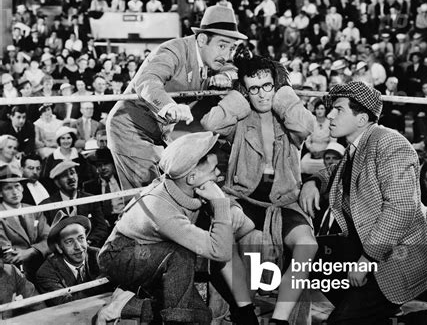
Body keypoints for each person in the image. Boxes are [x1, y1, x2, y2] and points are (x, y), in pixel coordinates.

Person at [299, 81, 427, 324]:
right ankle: (423, 320)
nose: (329, 115)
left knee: (341, 321)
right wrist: (313, 182)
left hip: (394, 258)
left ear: (361, 119)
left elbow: (401, 209)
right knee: (311, 261)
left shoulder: (390, 143)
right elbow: (337, 171)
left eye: (339, 110)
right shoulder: (359, 145)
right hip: (366, 249)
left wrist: (366, 260)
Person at [202, 53, 317, 324]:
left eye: (268, 86)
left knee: (307, 245)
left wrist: (284, 94)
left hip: (283, 201)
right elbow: (210, 123)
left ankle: (279, 320)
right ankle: (244, 312)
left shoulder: (287, 116)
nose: (263, 95)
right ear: (246, 92)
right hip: (243, 198)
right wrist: (239, 97)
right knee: (223, 233)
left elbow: (306, 126)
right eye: (254, 89)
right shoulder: (241, 118)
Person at [96, 132, 254, 325]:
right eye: (214, 170)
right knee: (180, 254)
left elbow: (246, 227)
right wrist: (220, 203)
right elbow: (220, 252)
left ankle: (122, 307)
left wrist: (231, 206)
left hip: (157, 255)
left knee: (202, 315)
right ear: (192, 177)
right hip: (121, 255)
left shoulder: (181, 186)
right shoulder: (161, 209)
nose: (219, 175)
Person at [106, 5, 247, 190]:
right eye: (222, 46)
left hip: (157, 132)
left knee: (167, 186)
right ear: (203, 39)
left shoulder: (212, 57)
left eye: (231, 49)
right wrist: (169, 106)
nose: (226, 55)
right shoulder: (173, 51)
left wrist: (226, 76)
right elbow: (147, 80)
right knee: (152, 193)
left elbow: (231, 67)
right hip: (130, 128)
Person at [35, 211, 103, 306]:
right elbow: (65, 304)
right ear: (59, 247)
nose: (78, 247)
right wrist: (98, 285)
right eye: (69, 242)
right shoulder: (46, 272)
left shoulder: (99, 255)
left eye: (81, 238)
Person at [41, 161, 108, 248]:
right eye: (65, 175)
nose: (71, 177)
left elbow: (101, 227)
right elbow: (46, 236)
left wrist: (88, 242)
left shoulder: (90, 200)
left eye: (72, 173)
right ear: (57, 182)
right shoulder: (47, 205)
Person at [0, 166, 50, 282]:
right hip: (16, 271)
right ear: (0, 193)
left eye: (17, 186)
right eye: (8, 188)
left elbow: (48, 238)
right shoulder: (0, 214)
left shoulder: (34, 210)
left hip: (42, 264)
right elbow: (8, 254)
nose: (14, 192)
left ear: (22, 188)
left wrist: (31, 251)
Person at [83, 148, 125, 227]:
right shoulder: (90, 186)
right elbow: (91, 212)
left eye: (106, 164)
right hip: (103, 223)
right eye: (99, 165)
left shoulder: (123, 181)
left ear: (113, 164)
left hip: (124, 218)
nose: (103, 168)